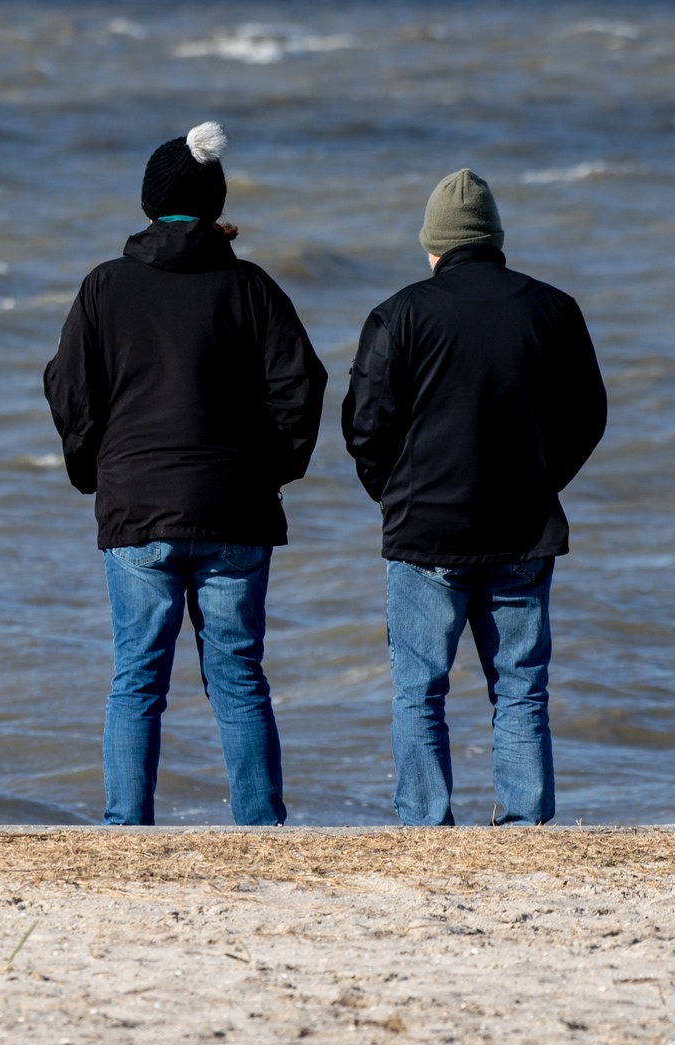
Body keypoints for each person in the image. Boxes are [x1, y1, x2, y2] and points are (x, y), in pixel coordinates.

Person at [44, 121, 327, 826]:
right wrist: (272, 471)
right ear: (213, 205)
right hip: (235, 507)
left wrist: (94, 473)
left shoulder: (106, 287)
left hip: (137, 505)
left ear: (149, 207)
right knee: (237, 677)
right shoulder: (251, 287)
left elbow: (68, 389)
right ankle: (260, 827)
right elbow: (303, 385)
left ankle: (125, 826)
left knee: (137, 679)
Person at [342, 169, 608, 826]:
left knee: (420, 692)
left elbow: (365, 425)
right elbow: (588, 416)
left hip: (425, 529)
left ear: (434, 244)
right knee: (520, 690)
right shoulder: (553, 308)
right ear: (494, 238)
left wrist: (395, 494)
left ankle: (427, 828)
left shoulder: (399, 313)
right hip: (521, 528)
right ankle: (523, 830)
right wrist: (544, 479)